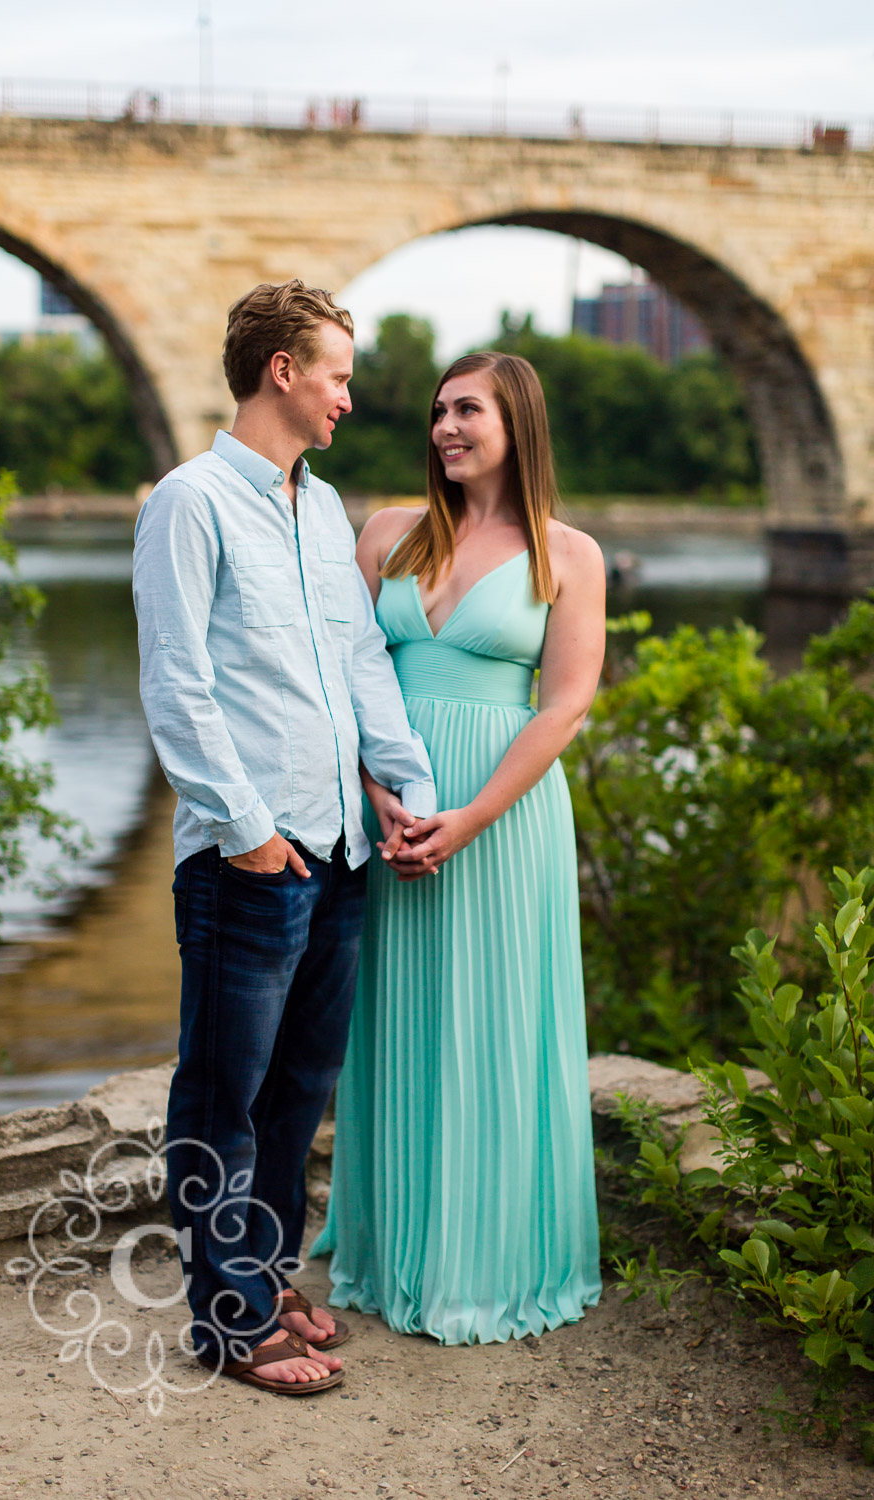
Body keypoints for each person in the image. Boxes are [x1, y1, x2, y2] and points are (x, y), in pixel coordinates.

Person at [132, 279, 437, 1393]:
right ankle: (227, 1319)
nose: (348, 398)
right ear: (282, 372)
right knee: (222, 1089)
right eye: (339, 375)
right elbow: (177, 684)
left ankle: (260, 1274)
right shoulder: (189, 501)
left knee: (297, 1088)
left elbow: (359, 667)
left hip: (343, 846)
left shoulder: (322, 507)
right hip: (247, 855)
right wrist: (250, 833)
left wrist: (402, 789)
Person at [311, 350, 606, 1344]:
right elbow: (339, 675)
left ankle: (485, 1261)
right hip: (387, 808)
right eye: (438, 410)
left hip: (499, 816)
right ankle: (389, 1249)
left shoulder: (568, 554)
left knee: (492, 1018)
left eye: (467, 409)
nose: (446, 426)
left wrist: (467, 819)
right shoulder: (387, 533)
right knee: (388, 1018)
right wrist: (376, 796)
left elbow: (564, 706)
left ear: (517, 423)